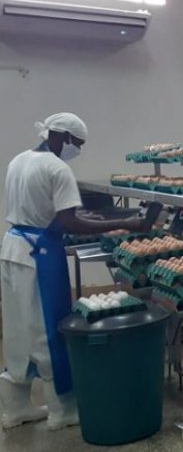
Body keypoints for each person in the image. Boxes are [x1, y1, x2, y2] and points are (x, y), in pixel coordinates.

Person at [0, 113, 147, 430]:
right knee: (49, 332)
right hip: (39, 254)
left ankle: (14, 408)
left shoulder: (19, 160)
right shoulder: (57, 168)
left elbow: (47, 209)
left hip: (12, 248)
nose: (77, 150)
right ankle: (62, 409)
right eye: (77, 144)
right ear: (64, 136)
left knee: (16, 330)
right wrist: (125, 223)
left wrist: (88, 216)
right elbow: (70, 223)